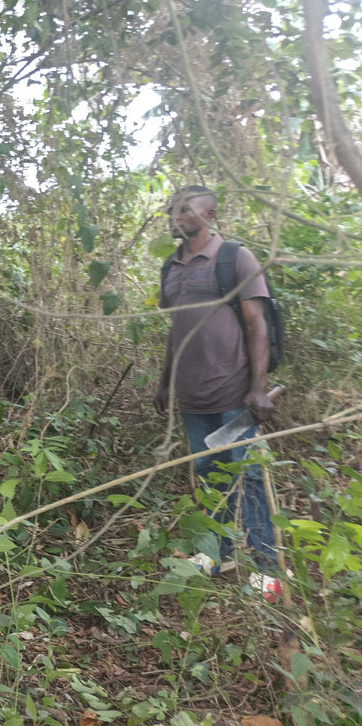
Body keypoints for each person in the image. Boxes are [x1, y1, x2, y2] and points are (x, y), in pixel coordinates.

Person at [154, 186, 282, 599]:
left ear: (209, 214)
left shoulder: (235, 258)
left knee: (248, 478)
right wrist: (164, 382)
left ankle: (266, 568)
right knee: (208, 478)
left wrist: (258, 389)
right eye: (173, 209)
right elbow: (175, 330)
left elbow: (256, 325)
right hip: (194, 399)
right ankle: (217, 553)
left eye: (185, 209)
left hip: (233, 395)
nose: (176, 215)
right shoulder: (170, 267)